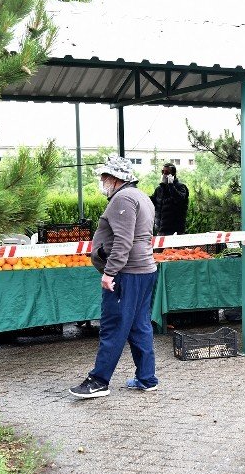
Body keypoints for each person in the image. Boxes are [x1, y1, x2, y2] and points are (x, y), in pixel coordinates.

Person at [70, 155, 158, 399]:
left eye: (104, 177)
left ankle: (99, 381)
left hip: (126, 274)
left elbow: (123, 240)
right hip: (144, 271)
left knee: (113, 327)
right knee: (139, 325)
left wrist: (110, 272)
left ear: (115, 178)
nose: (101, 181)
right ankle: (146, 378)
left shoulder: (123, 198)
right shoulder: (141, 196)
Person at [150, 163, 189, 236]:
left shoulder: (181, 187)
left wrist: (171, 185)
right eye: (163, 172)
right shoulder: (159, 189)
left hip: (175, 230)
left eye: (167, 172)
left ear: (173, 174)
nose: (164, 174)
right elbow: (152, 201)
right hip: (161, 230)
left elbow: (179, 199)